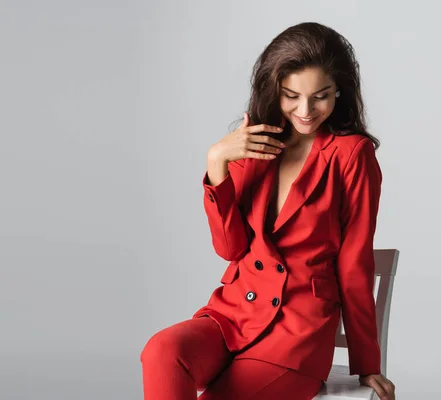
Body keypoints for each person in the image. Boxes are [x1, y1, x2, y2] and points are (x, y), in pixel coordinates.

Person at [140, 21, 396, 400]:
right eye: (291, 95)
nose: (306, 110)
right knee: (162, 351)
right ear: (274, 89)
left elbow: (354, 261)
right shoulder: (254, 144)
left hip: (296, 336)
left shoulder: (352, 155)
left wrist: (367, 362)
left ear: (339, 90)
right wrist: (218, 164)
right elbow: (231, 249)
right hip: (234, 314)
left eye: (320, 96)